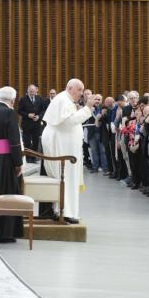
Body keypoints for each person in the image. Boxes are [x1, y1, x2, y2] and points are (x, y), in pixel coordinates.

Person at [41, 79, 95, 224]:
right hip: (62, 147)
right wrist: (87, 108)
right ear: (70, 88)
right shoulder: (63, 100)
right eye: (79, 90)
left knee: (66, 178)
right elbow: (68, 122)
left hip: (64, 145)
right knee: (65, 177)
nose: (81, 93)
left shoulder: (65, 99)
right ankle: (64, 212)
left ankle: (64, 210)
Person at [0, 86, 24, 242]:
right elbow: (14, 141)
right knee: (8, 193)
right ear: (13, 100)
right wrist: (18, 163)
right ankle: (5, 233)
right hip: (7, 160)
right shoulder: (9, 113)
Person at [18, 84, 45, 162]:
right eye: (30, 91)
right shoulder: (23, 99)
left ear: (36, 91)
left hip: (36, 124)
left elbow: (43, 110)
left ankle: (34, 158)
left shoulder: (39, 98)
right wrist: (27, 115)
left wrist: (39, 117)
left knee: (36, 141)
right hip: (27, 124)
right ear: (27, 91)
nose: (32, 93)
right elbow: (19, 111)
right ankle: (28, 157)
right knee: (27, 141)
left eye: (33, 91)